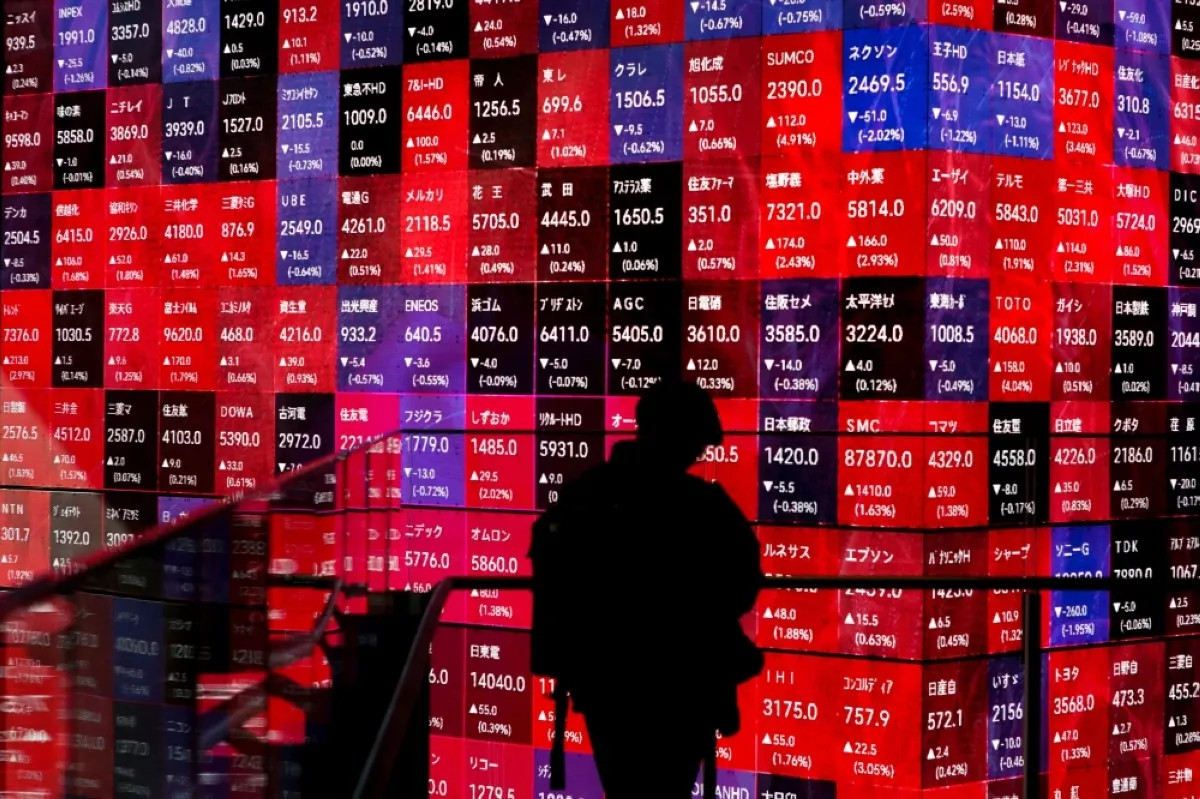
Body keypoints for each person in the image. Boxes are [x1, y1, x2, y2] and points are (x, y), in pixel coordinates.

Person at [528, 379, 764, 799]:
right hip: (683, 685)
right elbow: (742, 582)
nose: (698, 454)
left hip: (604, 681)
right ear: (681, 435)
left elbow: (555, 574)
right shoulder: (702, 505)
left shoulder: (586, 493)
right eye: (695, 442)